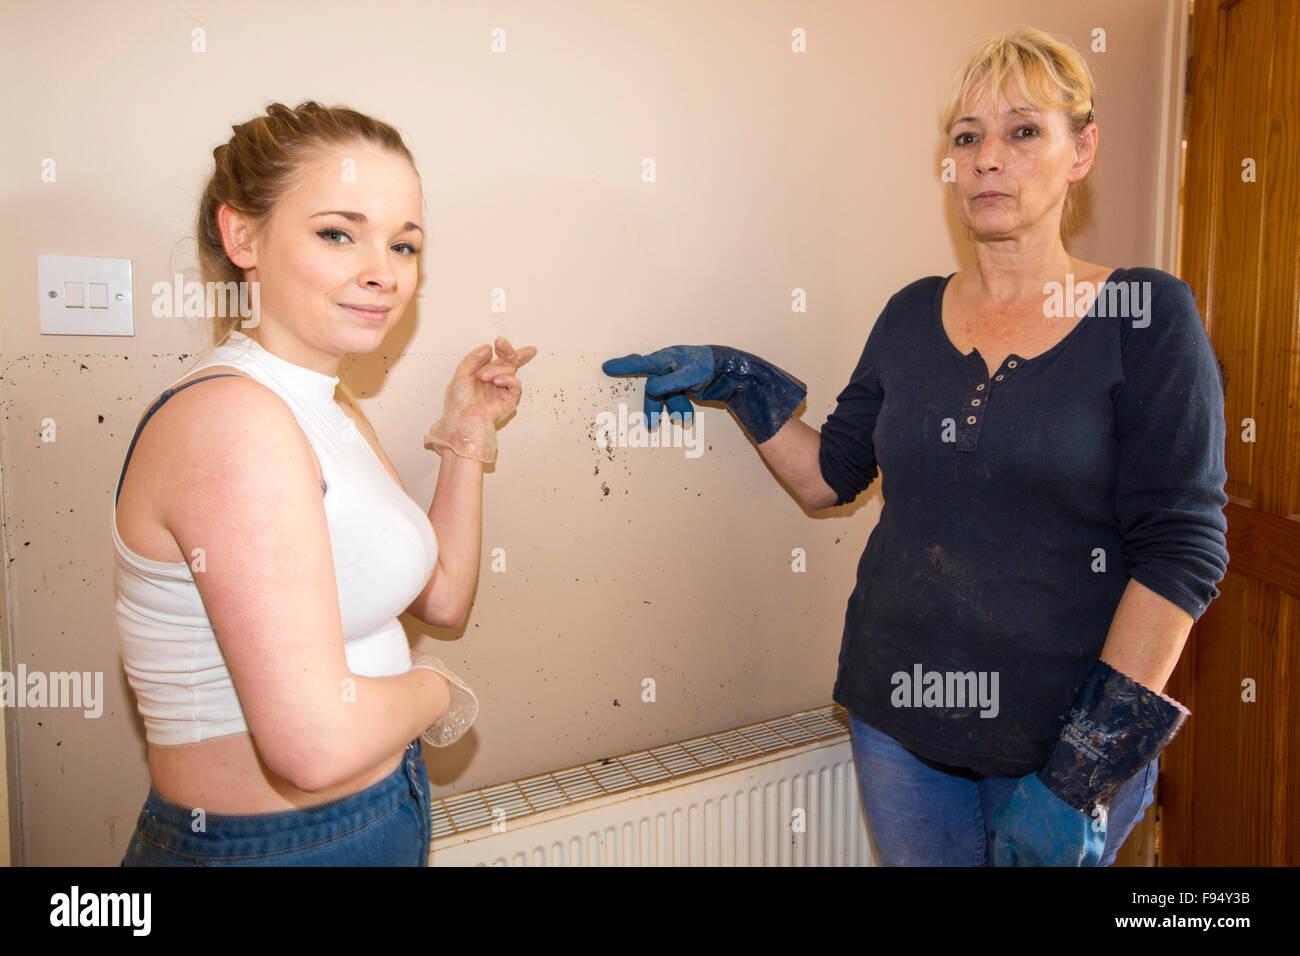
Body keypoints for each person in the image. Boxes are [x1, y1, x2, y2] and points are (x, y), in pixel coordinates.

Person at [603, 28, 1228, 866]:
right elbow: (831, 476)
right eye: (966, 137)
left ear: (1082, 151)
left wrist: (1082, 771)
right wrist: (734, 379)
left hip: (1060, 744)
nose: (986, 160)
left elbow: (1182, 552)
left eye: (1022, 131)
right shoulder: (910, 312)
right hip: (898, 721)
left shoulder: (1146, 316)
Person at [115, 102, 535, 865]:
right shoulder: (232, 421)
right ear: (242, 235)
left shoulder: (329, 405)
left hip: (376, 812)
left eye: (404, 245)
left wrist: (467, 430)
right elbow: (311, 744)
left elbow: (441, 596)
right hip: (275, 848)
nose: (383, 271)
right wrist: (435, 690)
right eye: (338, 232)